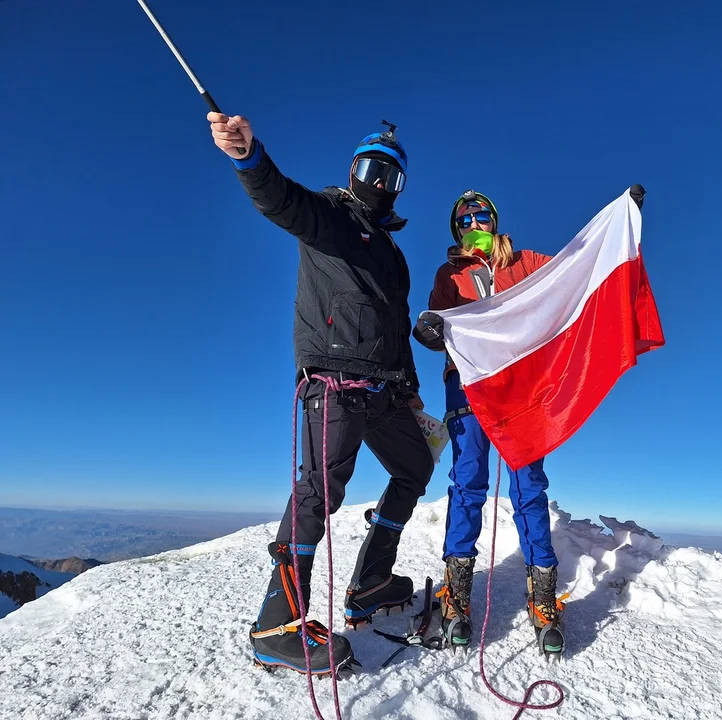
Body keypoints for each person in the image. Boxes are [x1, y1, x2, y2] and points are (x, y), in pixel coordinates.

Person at [207, 112, 435, 676]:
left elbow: (396, 325)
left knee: (414, 469)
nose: (379, 182)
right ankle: (276, 626)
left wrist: (409, 390)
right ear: (354, 170)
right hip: (334, 381)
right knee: (318, 494)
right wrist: (248, 157)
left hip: (384, 390)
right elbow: (281, 200)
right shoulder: (332, 216)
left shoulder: (394, 255)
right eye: (371, 169)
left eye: (391, 176)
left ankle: (370, 584)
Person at [414, 186, 647, 658]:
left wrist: (618, 221)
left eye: (482, 216)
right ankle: (457, 594)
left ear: (494, 221)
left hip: (522, 389)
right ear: (458, 229)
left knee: (528, 486)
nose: (474, 224)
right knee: (468, 483)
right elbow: (437, 325)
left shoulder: (526, 262)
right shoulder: (449, 273)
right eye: (465, 219)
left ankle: (542, 597)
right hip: (467, 384)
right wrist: (430, 330)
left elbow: (574, 270)